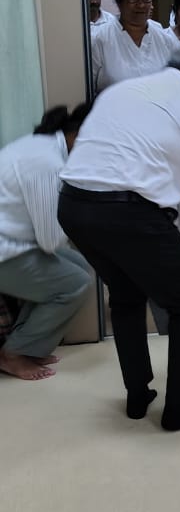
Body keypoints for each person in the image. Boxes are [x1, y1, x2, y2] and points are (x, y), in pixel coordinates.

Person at [58, 55, 180, 431]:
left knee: (126, 295)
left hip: (74, 205)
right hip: (129, 212)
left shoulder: (120, 91)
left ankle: (138, 393)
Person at [0, 104, 94, 381]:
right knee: (75, 283)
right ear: (81, 135)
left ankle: (26, 346)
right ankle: (13, 354)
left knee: (80, 267)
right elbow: (51, 241)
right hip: (5, 249)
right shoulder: (49, 163)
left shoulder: (44, 145)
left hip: (14, 241)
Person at [91, 0, 171, 92]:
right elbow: (88, 91)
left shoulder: (164, 39)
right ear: (119, 0)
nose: (141, 5)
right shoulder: (99, 39)